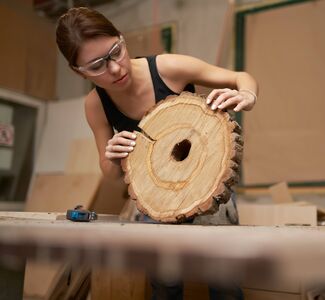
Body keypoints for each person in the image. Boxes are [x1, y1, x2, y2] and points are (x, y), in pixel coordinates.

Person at [56, 6, 257, 300]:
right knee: (165, 284)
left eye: (115, 52)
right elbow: (111, 174)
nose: (114, 68)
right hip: (157, 198)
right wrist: (112, 156)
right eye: (97, 65)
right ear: (78, 71)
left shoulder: (167, 69)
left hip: (208, 185)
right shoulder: (95, 105)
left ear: (121, 38)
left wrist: (247, 95)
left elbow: (242, 77)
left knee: (224, 282)